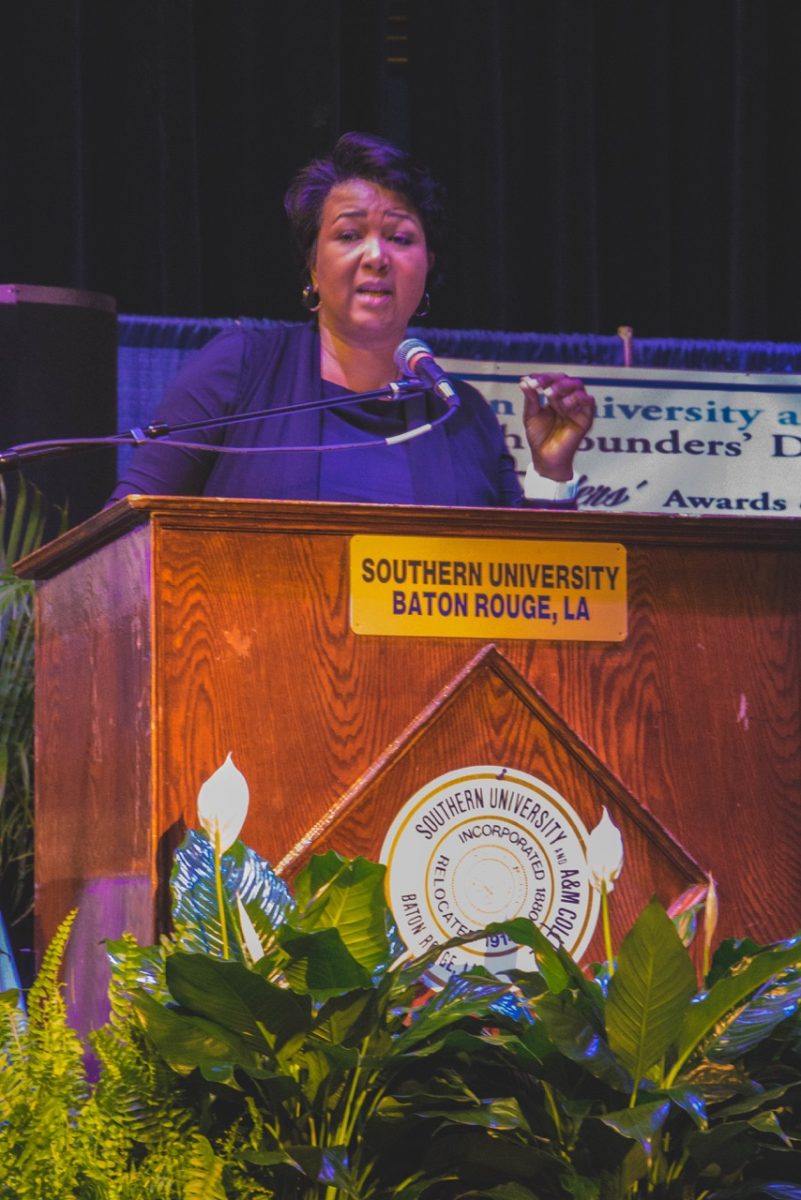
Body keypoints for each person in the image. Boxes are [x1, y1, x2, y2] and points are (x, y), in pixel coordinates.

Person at [110, 132, 594, 507]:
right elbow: (129, 531)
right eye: (349, 235)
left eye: (400, 238)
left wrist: (552, 470)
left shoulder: (460, 413)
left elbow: (527, 585)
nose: (376, 256)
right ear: (313, 267)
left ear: (428, 265)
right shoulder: (240, 369)